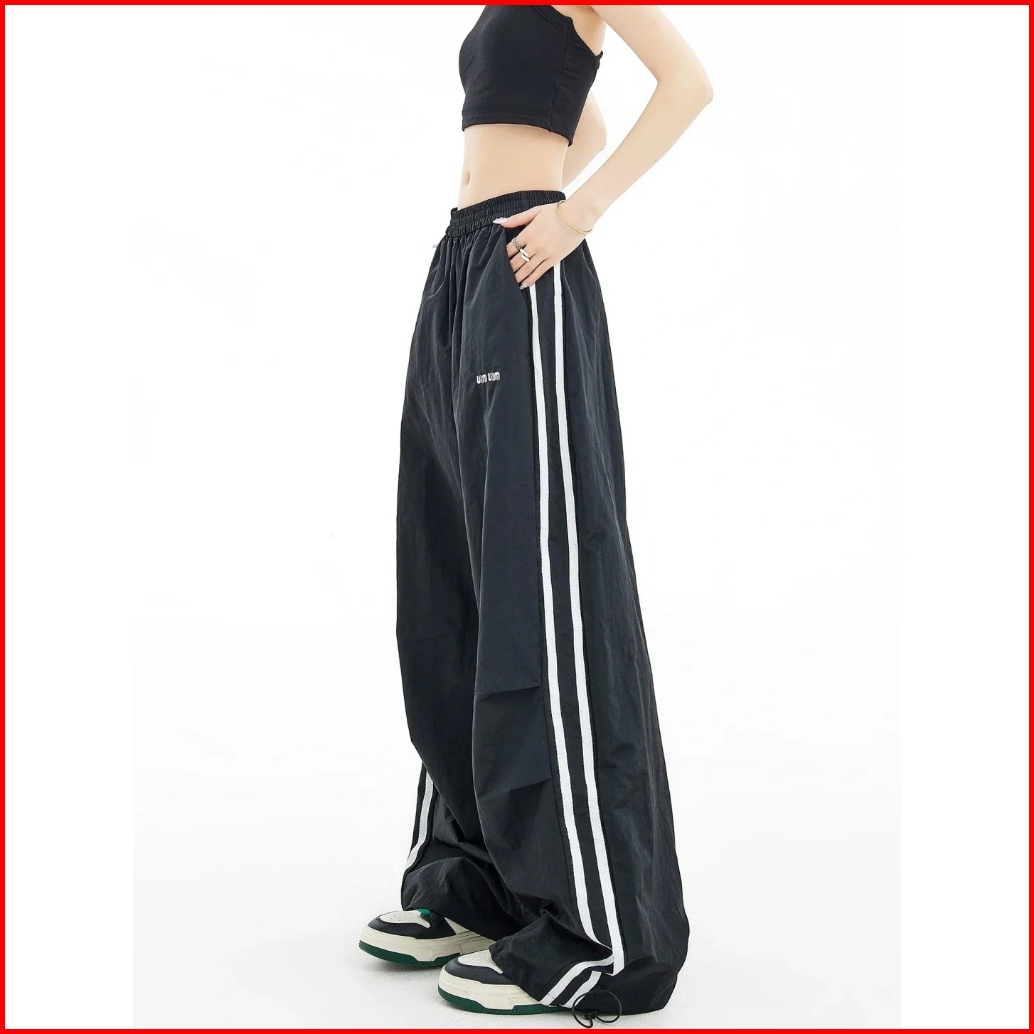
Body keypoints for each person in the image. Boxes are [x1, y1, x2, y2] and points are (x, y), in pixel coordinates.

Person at [359, 4, 713, 1022]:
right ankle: (477, 884)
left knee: (541, 594)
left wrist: (574, 210)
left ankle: (594, 929)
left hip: (529, 265)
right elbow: (578, 119)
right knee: (451, 584)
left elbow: (688, 84)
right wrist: (541, 179)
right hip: (463, 260)